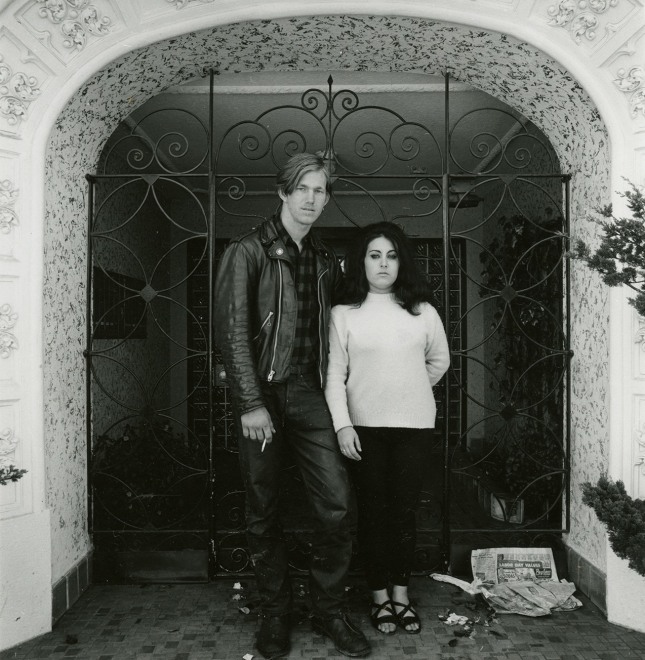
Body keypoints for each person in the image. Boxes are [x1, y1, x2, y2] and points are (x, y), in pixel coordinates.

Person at [214, 153, 371, 659]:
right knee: (263, 507)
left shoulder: (325, 259)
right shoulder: (247, 250)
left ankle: (328, 611)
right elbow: (233, 332)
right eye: (302, 188)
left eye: (320, 191)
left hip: (309, 394)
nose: (310, 199)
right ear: (282, 193)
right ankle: (274, 614)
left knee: (337, 504)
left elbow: (345, 326)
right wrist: (249, 402)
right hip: (261, 396)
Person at [324, 221, 450, 636]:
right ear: (361, 261)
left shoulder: (423, 311)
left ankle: (401, 595)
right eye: (375, 255)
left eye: (392, 255)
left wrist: (408, 389)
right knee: (374, 516)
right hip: (364, 431)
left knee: (404, 515)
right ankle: (379, 598)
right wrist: (343, 425)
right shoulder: (343, 314)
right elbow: (334, 374)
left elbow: (438, 362)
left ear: (402, 262)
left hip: (414, 429)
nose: (383, 264)